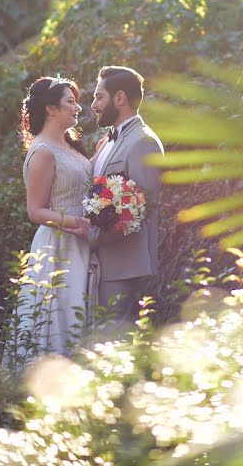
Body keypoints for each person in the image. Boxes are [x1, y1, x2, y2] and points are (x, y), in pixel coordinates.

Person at [1, 76, 92, 371]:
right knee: (59, 315)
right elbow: (36, 211)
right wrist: (71, 221)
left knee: (82, 309)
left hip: (83, 238)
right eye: (71, 101)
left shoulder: (70, 145)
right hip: (59, 243)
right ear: (51, 109)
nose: (77, 107)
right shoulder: (42, 151)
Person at [89, 66, 164, 323]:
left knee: (113, 341)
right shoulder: (108, 141)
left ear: (119, 98)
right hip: (100, 263)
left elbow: (141, 211)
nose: (93, 104)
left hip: (124, 266)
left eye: (99, 97)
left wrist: (92, 239)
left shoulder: (143, 142)